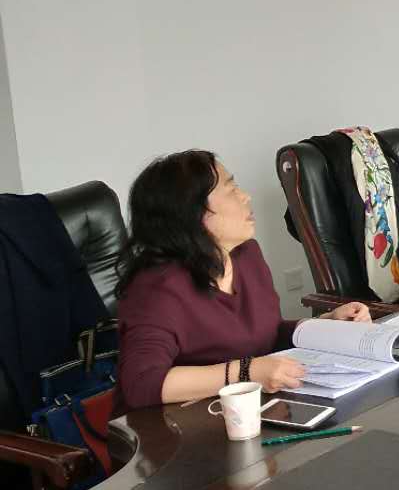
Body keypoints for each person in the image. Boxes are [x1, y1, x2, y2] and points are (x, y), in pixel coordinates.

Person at [117, 151, 370, 411]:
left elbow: (265, 336)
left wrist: (326, 325)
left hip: (249, 413)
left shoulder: (246, 255)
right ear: (192, 212)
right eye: (231, 190)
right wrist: (246, 372)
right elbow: (141, 383)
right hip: (176, 427)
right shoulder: (156, 288)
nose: (245, 197)